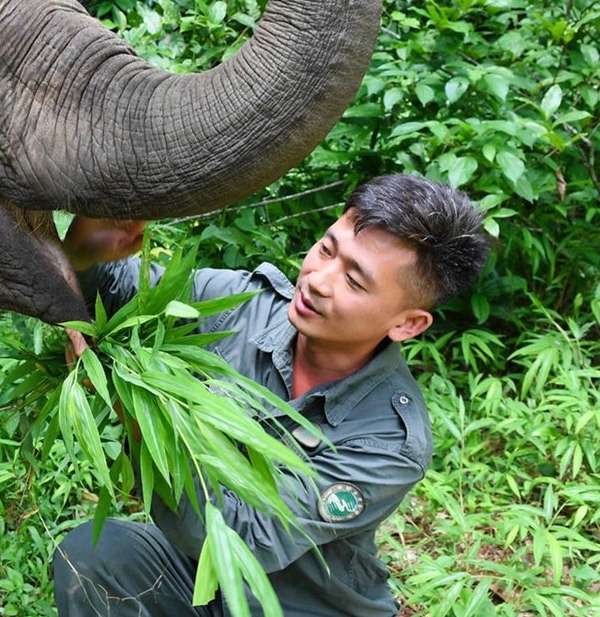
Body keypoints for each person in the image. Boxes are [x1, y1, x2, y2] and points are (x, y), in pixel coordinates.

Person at [52, 173, 492, 616]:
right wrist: (86, 254)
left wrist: (134, 411)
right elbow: (123, 296)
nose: (318, 280)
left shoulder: (388, 440)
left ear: (407, 324)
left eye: (355, 282)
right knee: (94, 557)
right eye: (326, 249)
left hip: (302, 605)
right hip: (200, 580)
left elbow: (244, 539)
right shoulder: (238, 306)